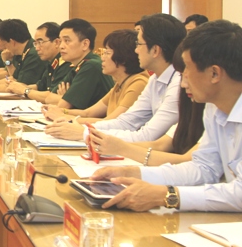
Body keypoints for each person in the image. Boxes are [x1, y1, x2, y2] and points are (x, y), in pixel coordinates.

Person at [92, 20, 242, 212]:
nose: (182, 81)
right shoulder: (214, 108)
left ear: (214, 73)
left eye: (187, 69)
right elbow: (204, 168)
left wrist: (168, 195)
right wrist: (135, 174)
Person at [92, 13, 185, 142]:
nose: (136, 50)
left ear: (155, 50)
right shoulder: (155, 79)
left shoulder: (179, 83)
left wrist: (86, 133)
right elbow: (127, 122)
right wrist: (85, 129)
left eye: (139, 44)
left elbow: (147, 136)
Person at [43, 29, 149, 139]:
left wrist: (66, 118)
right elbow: (88, 113)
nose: (102, 58)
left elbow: (112, 122)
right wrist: (61, 112)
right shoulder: (120, 83)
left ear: (124, 57)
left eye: (107, 53)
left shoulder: (138, 83)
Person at [39, 18, 112, 109]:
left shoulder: (91, 66)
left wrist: (64, 98)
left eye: (67, 41)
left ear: (85, 44)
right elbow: (49, 98)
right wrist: (64, 98)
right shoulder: (77, 66)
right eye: (61, 41)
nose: (61, 46)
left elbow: (62, 106)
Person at [6, 22, 72, 102]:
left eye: (40, 43)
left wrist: (24, 90)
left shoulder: (65, 64)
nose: (37, 48)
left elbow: (52, 96)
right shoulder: (52, 63)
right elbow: (39, 86)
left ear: (56, 42)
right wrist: (17, 87)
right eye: (35, 43)